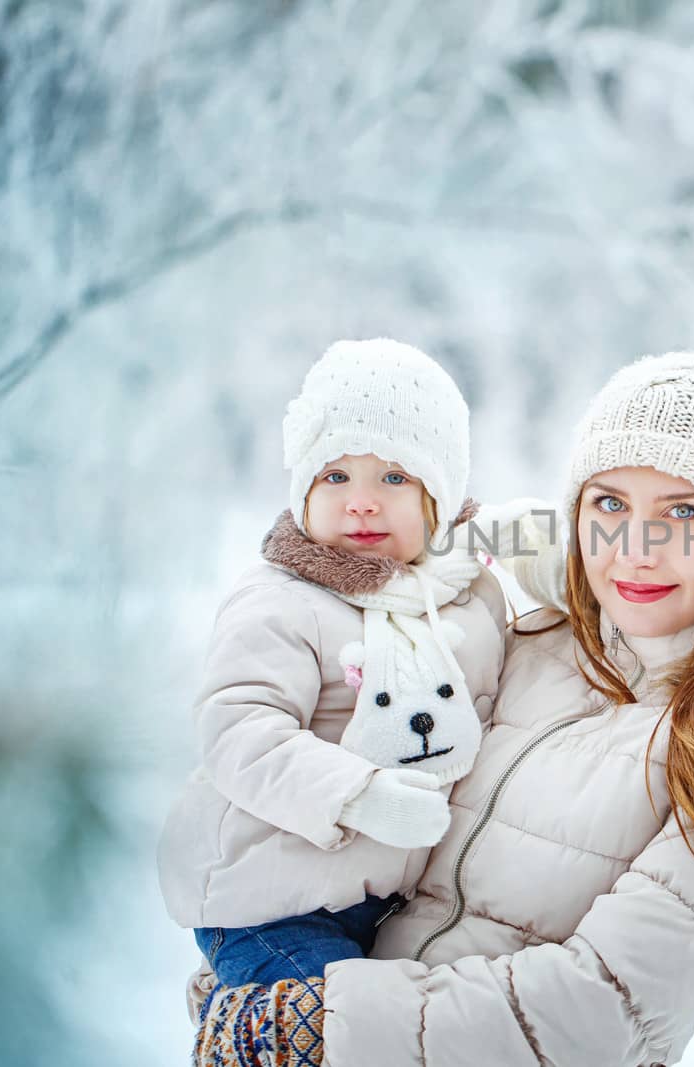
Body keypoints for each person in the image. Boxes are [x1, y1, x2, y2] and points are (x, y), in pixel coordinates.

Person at [191, 337, 694, 1067]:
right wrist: (277, 950)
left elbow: (600, 1008)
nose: (634, 546)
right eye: (608, 502)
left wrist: (323, 1026)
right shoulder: (535, 642)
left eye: (684, 513)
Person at [157, 338, 509, 992]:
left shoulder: (462, 597)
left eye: (395, 477)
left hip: (383, 903)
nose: (363, 500)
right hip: (268, 902)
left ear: (442, 495)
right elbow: (240, 730)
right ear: (303, 489)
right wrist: (357, 794)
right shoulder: (281, 600)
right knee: (337, 1034)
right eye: (336, 475)